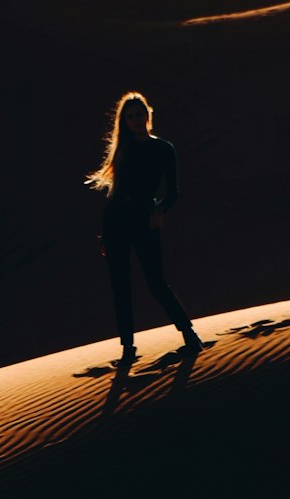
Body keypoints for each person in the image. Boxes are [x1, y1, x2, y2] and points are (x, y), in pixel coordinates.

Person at [86, 91, 202, 366]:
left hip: (144, 218)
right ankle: (128, 348)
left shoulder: (163, 148)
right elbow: (114, 193)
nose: (136, 120)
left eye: (139, 114)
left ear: (148, 115)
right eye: (130, 116)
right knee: (120, 286)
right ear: (124, 121)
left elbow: (173, 191)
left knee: (156, 282)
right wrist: (106, 230)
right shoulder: (123, 149)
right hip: (117, 220)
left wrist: (160, 210)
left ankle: (189, 335)